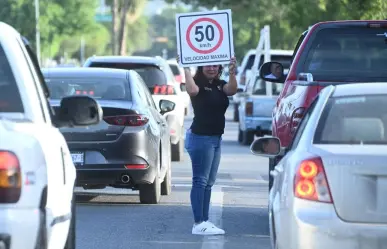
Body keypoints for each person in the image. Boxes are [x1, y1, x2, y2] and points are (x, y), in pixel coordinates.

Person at [177, 55, 237, 235]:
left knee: (209, 183)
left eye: (215, 65)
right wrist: (186, 67)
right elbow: (192, 91)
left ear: (219, 67)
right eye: (208, 65)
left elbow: (232, 90)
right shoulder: (197, 83)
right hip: (201, 138)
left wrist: (233, 71)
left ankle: (205, 221)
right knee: (200, 181)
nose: (212, 68)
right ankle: (198, 222)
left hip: (216, 138)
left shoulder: (220, 84)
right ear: (201, 67)